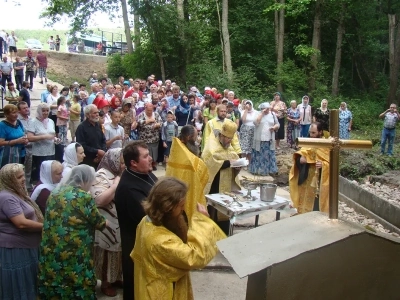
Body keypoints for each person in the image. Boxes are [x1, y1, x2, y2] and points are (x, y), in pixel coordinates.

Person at [132, 177, 226, 300]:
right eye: (181, 205)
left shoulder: (146, 221)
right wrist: (203, 223)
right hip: (162, 293)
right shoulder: (160, 241)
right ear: (168, 207)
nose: (183, 209)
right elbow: (195, 257)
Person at [38, 165, 107, 299]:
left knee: (55, 277)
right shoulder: (83, 197)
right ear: (84, 180)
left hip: (52, 247)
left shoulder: (55, 193)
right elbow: (100, 223)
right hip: (74, 250)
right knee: (75, 281)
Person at [114, 141, 157, 300]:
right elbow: (149, 217)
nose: (150, 158)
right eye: (146, 156)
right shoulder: (129, 188)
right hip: (136, 247)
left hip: (148, 243)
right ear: (133, 163)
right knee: (137, 289)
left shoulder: (145, 172)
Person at [0, 163, 43, 300]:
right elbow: (21, 223)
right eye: (19, 177)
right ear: (9, 180)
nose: (23, 179)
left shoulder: (16, 193)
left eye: (23, 175)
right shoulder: (7, 197)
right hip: (16, 250)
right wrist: (47, 226)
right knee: (19, 286)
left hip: (27, 247)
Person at [90, 148, 125, 297]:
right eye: (122, 162)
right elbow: (100, 200)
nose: (124, 165)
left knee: (118, 253)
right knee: (106, 254)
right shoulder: (101, 176)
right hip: (106, 224)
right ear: (114, 161)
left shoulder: (120, 173)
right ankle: (105, 283)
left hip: (119, 222)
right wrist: (116, 185)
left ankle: (116, 278)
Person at [202, 121, 242, 235]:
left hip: (226, 185)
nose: (230, 142)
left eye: (231, 139)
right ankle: (212, 235)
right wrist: (229, 163)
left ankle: (224, 234)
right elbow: (209, 162)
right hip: (214, 183)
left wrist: (237, 167)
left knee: (226, 209)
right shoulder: (211, 145)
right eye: (228, 139)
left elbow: (233, 157)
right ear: (222, 135)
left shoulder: (228, 146)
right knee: (213, 210)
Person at [165, 125, 209, 220]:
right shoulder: (192, 160)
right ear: (189, 137)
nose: (197, 140)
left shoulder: (175, 149)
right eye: (196, 137)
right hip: (188, 195)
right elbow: (204, 176)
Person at [289, 122, 329, 214]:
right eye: (310, 132)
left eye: (314, 133)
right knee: (303, 201)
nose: (311, 135)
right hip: (305, 178)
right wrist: (300, 159)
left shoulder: (326, 145)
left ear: (320, 132)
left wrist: (323, 165)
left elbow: (330, 163)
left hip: (317, 181)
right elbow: (299, 156)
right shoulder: (307, 142)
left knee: (315, 207)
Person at [27, 103, 56, 184]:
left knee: (49, 172)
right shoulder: (33, 122)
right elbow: (29, 138)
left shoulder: (51, 121)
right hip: (39, 153)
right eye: (43, 111)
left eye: (47, 110)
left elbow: (52, 134)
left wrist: (55, 139)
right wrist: (44, 137)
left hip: (51, 151)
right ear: (39, 111)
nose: (46, 113)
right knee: (40, 174)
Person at [249, 102, 279, 176]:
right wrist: (262, 114)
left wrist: (274, 127)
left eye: (267, 109)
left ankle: (268, 170)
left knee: (268, 155)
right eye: (264, 109)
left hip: (269, 138)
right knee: (258, 154)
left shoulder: (272, 114)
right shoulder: (257, 114)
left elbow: (277, 124)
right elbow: (255, 123)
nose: (266, 110)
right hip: (259, 138)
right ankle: (257, 170)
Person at [76, 104, 106, 168]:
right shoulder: (81, 127)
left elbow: (103, 140)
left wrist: (101, 153)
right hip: (87, 160)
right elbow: (81, 145)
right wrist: (97, 151)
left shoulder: (98, 125)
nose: (97, 114)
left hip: (100, 159)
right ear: (87, 115)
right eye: (95, 113)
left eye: (97, 112)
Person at [136, 102, 163, 170]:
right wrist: (148, 121)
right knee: (146, 152)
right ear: (145, 109)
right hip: (145, 138)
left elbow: (161, 122)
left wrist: (157, 125)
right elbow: (138, 122)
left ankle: (153, 163)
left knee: (154, 152)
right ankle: (147, 165)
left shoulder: (156, 114)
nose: (150, 112)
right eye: (148, 110)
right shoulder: (142, 114)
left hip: (154, 138)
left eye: (151, 110)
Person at [17, 101, 34, 189]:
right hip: (22, 148)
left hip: (32, 147)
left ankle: (27, 185)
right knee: (21, 167)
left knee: (29, 167)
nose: (26, 109)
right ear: (19, 111)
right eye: (24, 108)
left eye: (27, 107)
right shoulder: (18, 121)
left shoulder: (31, 119)